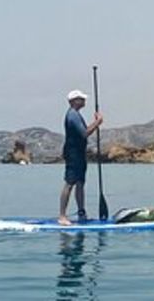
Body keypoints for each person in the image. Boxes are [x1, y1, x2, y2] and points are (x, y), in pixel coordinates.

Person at [57, 89, 102, 225]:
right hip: (73, 153)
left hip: (80, 153)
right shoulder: (72, 116)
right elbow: (84, 133)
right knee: (70, 183)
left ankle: (81, 212)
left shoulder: (76, 115)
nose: (84, 101)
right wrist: (98, 122)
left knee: (80, 183)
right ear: (74, 101)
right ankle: (62, 216)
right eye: (81, 99)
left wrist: (95, 123)